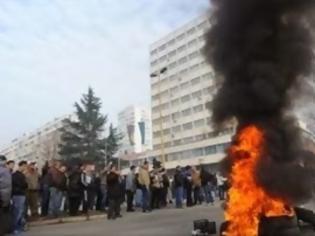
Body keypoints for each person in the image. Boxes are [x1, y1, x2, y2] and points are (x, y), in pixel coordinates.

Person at [12, 161, 28, 234]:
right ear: (21, 166)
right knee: (18, 211)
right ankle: (15, 227)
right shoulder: (16, 175)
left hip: (21, 194)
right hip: (18, 194)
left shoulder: (21, 174)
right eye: (25, 166)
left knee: (21, 211)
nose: (25, 168)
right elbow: (22, 184)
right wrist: (24, 184)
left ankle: (19, 226)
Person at [0, 155, 12, 236]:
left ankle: (4, 230)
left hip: (3, 196)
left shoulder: (5, 170)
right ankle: (5, 230)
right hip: (4, 196)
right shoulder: (5, 170)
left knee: (3, 215)